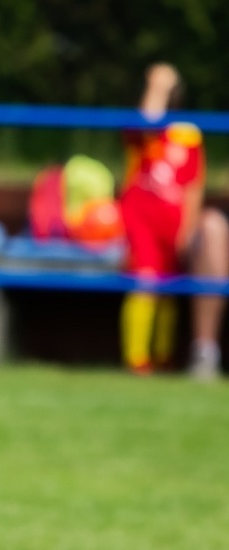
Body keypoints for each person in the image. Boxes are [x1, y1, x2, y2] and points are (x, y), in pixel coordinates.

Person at [118, 63, 228, 380]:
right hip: (140, 222)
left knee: (168, 291)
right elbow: (148, 121)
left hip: (173, 223)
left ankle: (164, 357)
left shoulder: (188, 135)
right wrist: (158, 87)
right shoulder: (144, 132)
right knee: (144, 286)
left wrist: (187, 228)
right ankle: (138, 360)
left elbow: (193, 185)